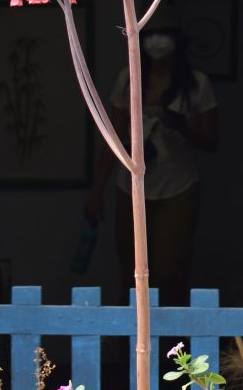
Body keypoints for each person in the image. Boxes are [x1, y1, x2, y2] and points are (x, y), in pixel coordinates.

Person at [84, 27, 218, 299]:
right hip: (130, 187)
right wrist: (97, 191)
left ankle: (168, 327)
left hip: (178, 187)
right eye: (152, 34)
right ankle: (134, 327)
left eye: (164, 34)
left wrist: (181, 127)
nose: (157, 42)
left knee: (169, 270)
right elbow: (113, 138)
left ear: (177, 40)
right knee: (132, 270)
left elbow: (211, 140)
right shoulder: (129, 78)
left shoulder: (196, 83)